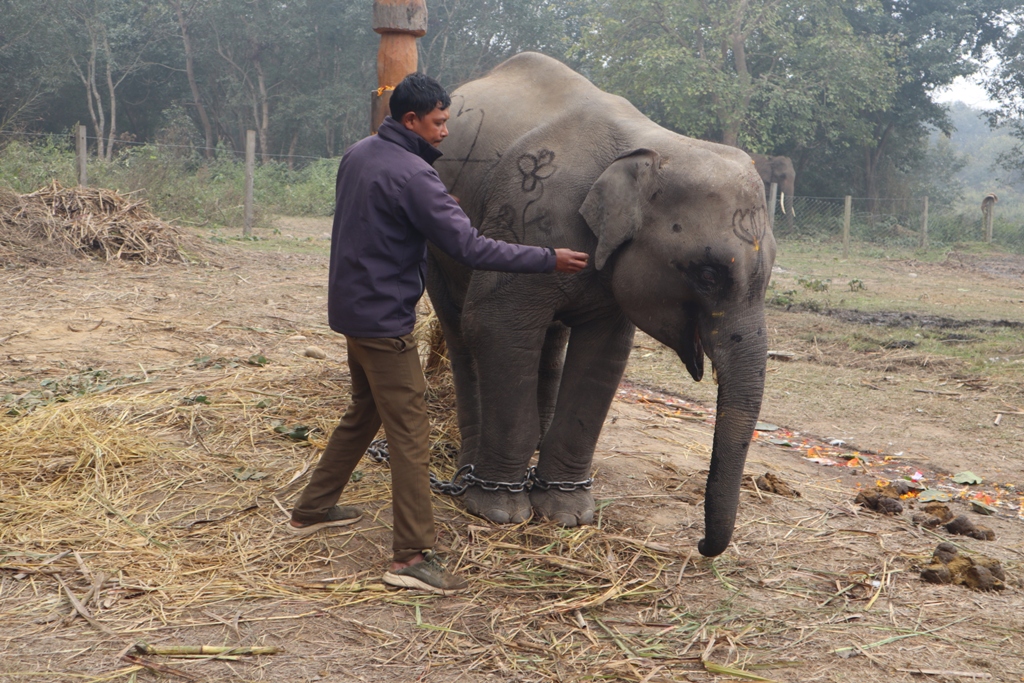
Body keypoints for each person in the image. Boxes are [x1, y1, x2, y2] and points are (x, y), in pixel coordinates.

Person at [287, 72, 589, 596]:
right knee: (410, 437)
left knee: (365, 412)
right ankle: (410, 558)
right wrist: (549, 259)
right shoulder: (415, 176)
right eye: (439, 121)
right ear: (412, 120)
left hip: (353, 311)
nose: (446, 131)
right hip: (385, 323)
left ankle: (314, 507)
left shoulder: (360, 153)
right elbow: (472, 248)